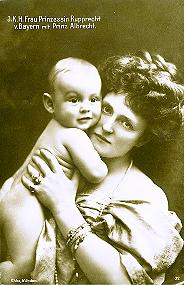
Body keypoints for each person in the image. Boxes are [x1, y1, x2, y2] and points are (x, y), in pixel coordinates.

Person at [1, 52, 184, 284]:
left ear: (142, 139)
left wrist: (63, 207)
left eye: (126, 123)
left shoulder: (144, 195)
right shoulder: (63, 153)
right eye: (107, 109)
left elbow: (121, 283)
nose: (107, 126)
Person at [0, 57, 108, 283]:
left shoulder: (55, 126)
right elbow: (97, 172)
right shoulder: (74, 134)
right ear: (50, 104)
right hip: (25, 205)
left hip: (12, 192)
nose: (86, 108)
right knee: (22, 265)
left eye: (94, 99)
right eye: (74, 99)